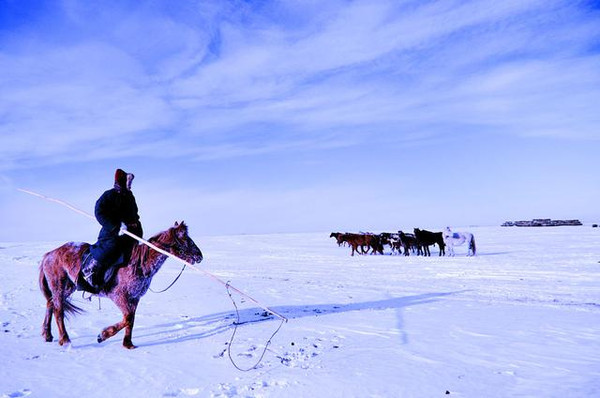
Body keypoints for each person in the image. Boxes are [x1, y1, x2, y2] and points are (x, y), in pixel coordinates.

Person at [82, 168, 143, 289]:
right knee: (110, 246)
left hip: (130, 233)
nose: (130, 185)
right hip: (112, 232)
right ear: (121, 182)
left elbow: (135, 214)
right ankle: (92, 268)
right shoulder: (109, 195)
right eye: (127, 182)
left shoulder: (130, 196)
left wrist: (135, 225)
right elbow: (99, 212)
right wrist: (116, 226)